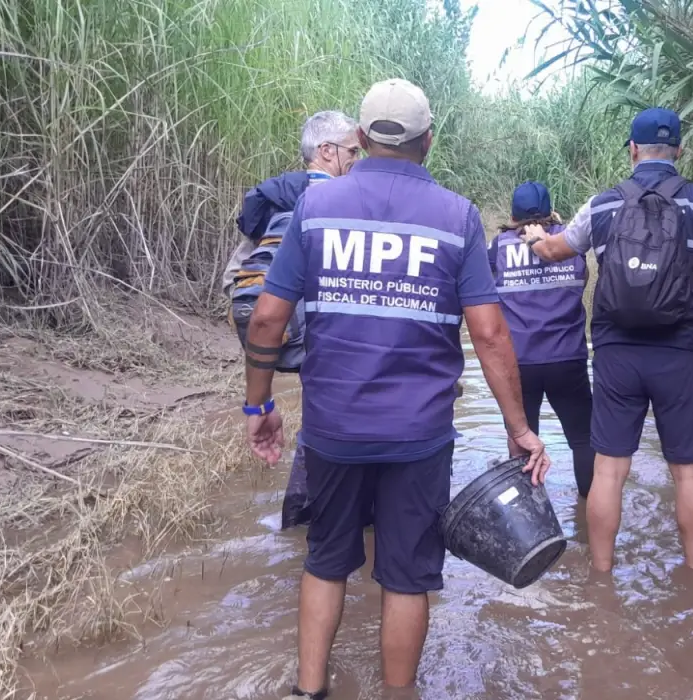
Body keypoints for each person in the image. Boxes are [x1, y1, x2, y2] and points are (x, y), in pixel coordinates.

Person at [240, 78, 551, 698]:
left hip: (333, 428)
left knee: (325, 559)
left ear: (360, 138)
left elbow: (268, 319)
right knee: (407, 575)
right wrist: (519, 428)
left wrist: (260, 404)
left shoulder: (316, 209)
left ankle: (309, 690)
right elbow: (490, 336)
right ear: (428, 140)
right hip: (419, 436)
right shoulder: (457, 216)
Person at [522, 106, 693, 573]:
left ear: (633, 151)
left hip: (616, 355)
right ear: (679, 151)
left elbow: (555, 250)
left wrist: (537, 237)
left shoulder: (602, 205)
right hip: (681, 354)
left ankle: (601, 579)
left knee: (608, 470)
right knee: (688, 474)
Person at [223, 111, 361, 530]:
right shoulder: (343, 200)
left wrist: (261, 403)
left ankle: (299, 523)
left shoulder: (278, 198)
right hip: (320, 334)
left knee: (319, 420)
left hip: (276, 329)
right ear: (327, 151)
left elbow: (235, 280)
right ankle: (329, 519)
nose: (358, 159)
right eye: (353, 151)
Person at [488, 181, 595, 502]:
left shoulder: (497, 248)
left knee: (522, 439)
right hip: (568, 359)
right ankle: (589, 511)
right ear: (551, 211)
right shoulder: (569, 242)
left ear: (513, 214)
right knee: (583, 439)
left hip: (520, 363)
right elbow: (583, 280)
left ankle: (530, 513)